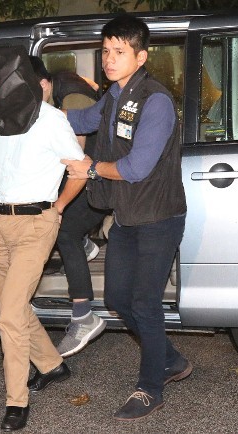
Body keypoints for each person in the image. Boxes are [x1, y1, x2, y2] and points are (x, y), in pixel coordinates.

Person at [61, 15, 191, 421]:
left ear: (141, 56)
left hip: (159, 216)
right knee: (117, 299)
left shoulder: (156, 100)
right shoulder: (114, 96)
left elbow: (136, 167)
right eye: (105, 51)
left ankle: (150, 389)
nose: (109, 59)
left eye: (119, 52)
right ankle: (170, 359)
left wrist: (91, 168)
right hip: (127, 216)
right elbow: (84, 120)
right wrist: (39, 113)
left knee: (145, 303)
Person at [0, 58, 109, 358]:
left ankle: (84, 316)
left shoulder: (71, 98)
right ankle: (84, 244)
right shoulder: (40, 105)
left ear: (44, 84)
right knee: (59, 222)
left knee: (63, 230)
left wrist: (54, 207)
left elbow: (75, 162)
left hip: (99, 179)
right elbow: (6, 133)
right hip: (90, 176)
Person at [0, 45, 86, 432]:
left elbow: (81, 169)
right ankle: (52, 365)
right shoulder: (6, 116)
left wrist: (58, 207)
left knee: (8, 317)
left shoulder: (52, 121)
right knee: (15, 308)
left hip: (35, 225)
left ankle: (16, 402)